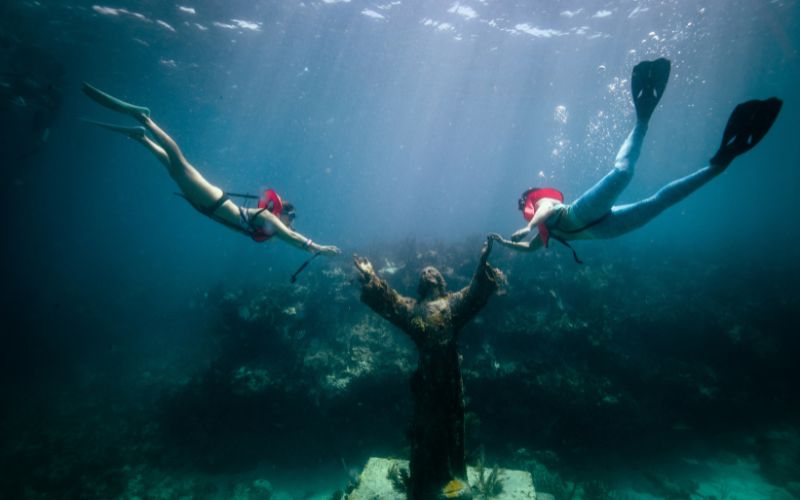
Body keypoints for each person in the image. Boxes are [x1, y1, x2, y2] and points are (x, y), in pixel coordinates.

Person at [492, 58, 782, 262]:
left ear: (529, 200)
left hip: (580, 213)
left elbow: (544, 211)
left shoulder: (541, 205)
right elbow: (531, 250)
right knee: (657, 204)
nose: (525, 210)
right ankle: (717, 166)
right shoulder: (541, 226)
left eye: (524, 206)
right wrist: (507, 243)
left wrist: (529, 226)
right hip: (601, 231)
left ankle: (642, 120)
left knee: (622, 173)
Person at [81, 83, 341, 256]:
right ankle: (146, 119)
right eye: (291, 219)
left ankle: (141, 137)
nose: (291, 224)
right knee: (179, 163)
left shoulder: (270, 225)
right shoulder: (270, 218)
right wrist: (319, 248)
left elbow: (281, 237)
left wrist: (301, 240)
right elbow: (291, 239)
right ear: (283, 213)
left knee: (174, 171)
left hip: (208, 206)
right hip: (213, 200)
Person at [353, 238, 502, 500]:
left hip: (450, 378)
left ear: (440, 280)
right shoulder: (413, 309)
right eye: (423, 272)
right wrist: (371, 276)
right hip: (427, 380)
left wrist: (482, 262)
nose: (427, 272)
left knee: (451, 427)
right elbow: (390, 300)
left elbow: (475, 290)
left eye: (432, 270)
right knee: (425, 430)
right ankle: (423, 485)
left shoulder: (453, 304)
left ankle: (453, 479)